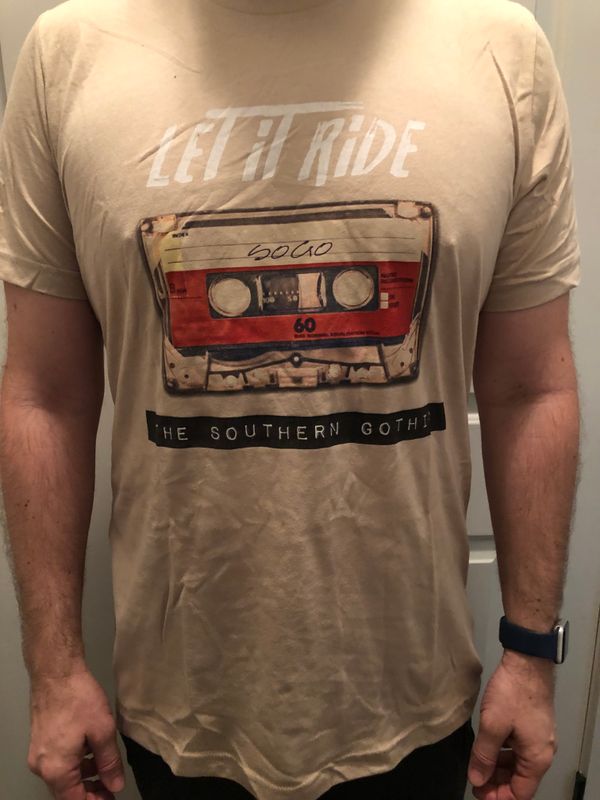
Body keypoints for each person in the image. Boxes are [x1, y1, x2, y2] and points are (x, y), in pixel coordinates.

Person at [0, 0, 581, 799]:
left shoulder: (501, 50)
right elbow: (44, 394)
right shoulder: (70, 54)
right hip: (177, 702)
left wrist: (532, 654)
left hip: (419, 694)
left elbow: (530, 387)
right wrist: (54, 669)